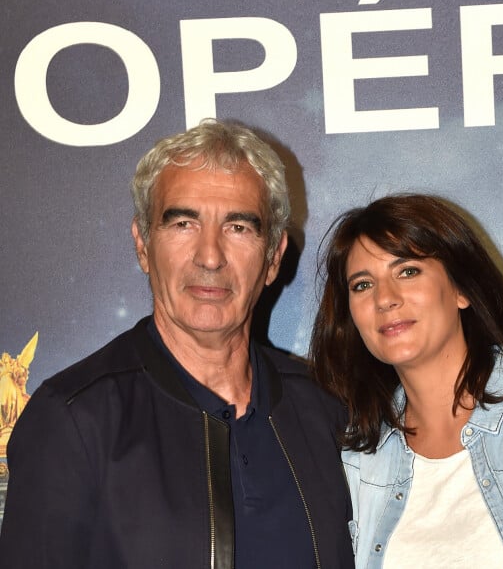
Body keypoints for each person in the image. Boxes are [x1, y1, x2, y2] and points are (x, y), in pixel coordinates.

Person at [0, 119, 354, 569]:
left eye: (239, 227)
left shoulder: (323, 407)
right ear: (143, 245)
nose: (210, 255)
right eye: (183, 223)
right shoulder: (73, 419)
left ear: (273, 258)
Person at [310, 194, 503, 568]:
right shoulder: (358, 463)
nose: (385, 299)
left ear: (462, 289)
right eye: (362, 285)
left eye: (408, 271)